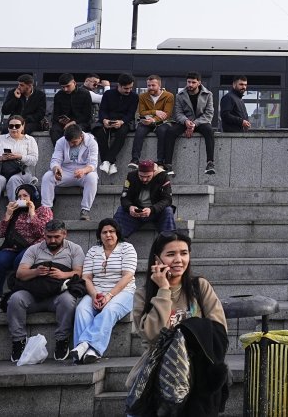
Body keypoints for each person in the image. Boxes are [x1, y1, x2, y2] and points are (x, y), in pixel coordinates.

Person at [128, 229, 228, 415]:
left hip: (198, 374)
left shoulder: (200, 287)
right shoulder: (143, 294)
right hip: (159, 375)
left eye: (184, 253)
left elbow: (219, 331)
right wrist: (164, 290)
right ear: (157, 259)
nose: (179, 260)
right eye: (171, 254)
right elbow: (152, 335)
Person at [6, 218, 84, 362]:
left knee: (68, 300)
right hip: (34, 293)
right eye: (49, 237)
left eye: (56, 237)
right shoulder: (34, 249)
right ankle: (18, 341)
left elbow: (79, 272)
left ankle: (62, 340)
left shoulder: (75, 249)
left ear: (65, 234)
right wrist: (36, 271)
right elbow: (20, 273)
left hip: (58, 295)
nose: (52, 240)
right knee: (15, 299)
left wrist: (63, 274)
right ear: (44, 234)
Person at [71, 219, 138, 363]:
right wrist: (94, 295)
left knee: (109, 310)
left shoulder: (127, 248)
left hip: (123, 292)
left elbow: (128, 276)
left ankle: (86, 346)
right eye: (104, 232)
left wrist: (109, 295)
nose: (108, 235)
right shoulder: (93, 251)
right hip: (96, 290)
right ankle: (86, 352)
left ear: (117, 233)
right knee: (81, 309)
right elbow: (86, 277)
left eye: (112, 231)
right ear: (99, 235)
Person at [0, 183, 52, 308]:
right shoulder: (15, 212)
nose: (22, 199)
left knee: (20, 261)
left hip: (34, 247)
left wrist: (32, 213)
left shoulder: (44, 210)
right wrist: (7, 215)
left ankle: (17, 293)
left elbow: (42, 231)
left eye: (25, 196)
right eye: (19, 196)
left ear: (33, 196)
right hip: (13, 247)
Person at [161, 72, 217, 176]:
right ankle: (168, 165)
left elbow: (209, 114)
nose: (190, 84)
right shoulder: (180, 95)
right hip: (185, 122)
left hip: (201, 122)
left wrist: (194, 124)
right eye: (188, 82)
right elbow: (178, 113)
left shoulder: (208, 94)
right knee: (171, 132)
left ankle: (210, 163)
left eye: (193, 82)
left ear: (199, 83)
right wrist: (186, 121)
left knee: (209, 130)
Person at [41, 124, 99, 221]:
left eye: (74, 142)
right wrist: (56, 169)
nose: (71, 144)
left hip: (84, 171)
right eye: (69, 142)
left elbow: (93, 164)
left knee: (92, 177)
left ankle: (85, 210)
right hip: (65, 171)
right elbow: (55, 160)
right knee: (47, 176)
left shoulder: (92, 142)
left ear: (81, 136)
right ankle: (46, 210)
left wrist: (83, 171)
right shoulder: (61, 141)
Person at [0, 115, 40, 211]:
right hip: (2, 171)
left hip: (22, 172)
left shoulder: (30, 140)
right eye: (11, 126)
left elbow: (34, 160)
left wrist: (19, 157)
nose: (14, 128)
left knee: (13, 180)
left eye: (17, 126)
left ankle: (15, 210)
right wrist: (0, 158)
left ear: (23, 126)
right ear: (8, 127)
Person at [91, 73, 137, 176]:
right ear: (119, 85)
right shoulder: (108, 94)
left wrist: (122, 121)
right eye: (126, 88)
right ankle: (111, 162)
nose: (129, 90)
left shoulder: (134, 96)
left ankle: (107, 161)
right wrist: (104, 120)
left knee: (122, 132)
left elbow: (131, 114)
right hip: (107, 119)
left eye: (130, 88)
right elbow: (102, 110)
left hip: (124, 121)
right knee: (99, 132)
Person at [114, 160, 176, 236]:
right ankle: (117, 238)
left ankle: (168, 239)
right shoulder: (131, 176)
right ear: (138, 172)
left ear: (153, 172)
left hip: (156, 212)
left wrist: (152, 209)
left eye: (148, 176)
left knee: (168, 210)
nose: (144, 179)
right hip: (136, 212)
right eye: (141, 176)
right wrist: (130, 207)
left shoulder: (163, 177)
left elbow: (167, 200)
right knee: (121, 210)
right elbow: (124, 198)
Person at [129, 75, 174, 169]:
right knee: (139, 131)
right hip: (146, 121)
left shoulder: (169, 96)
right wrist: (155, 112)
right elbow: (142, 112)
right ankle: (135, 160)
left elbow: (167, 114)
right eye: (148, 85)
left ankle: (160, 161)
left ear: (159, 85)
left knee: (162, 131)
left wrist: (153, 120)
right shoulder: (143, 96)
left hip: (163, 122)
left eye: (153, 85)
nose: (150, 88)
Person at [50, 73, 94, 143]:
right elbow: (55, 114)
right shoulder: (59, 95)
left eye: (68, 86)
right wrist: (60, 120)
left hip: (80, 123)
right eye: (63, 87)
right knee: (54, 130)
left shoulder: (85, 94)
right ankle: (59, 149)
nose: (65, 89)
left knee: (73, 131)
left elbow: (87, 115)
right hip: (63, 124)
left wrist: (74, 122)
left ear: (74, 83)